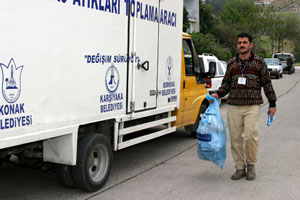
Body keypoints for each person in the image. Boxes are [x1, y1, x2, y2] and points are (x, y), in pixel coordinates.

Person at [211, 33, 277, 181]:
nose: (242, 45)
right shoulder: (231, 63)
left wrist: (272, 103)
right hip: (234, 106)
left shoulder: (259, 62)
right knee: (235, 139)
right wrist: (218, 94)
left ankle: (251, 165)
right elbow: (226, 84)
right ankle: (240, 168)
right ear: (237, 45)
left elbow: (267, 83)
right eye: (239, 42)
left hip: (252, 105)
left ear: (251, 45)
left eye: (245, 42)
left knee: (250, 136)